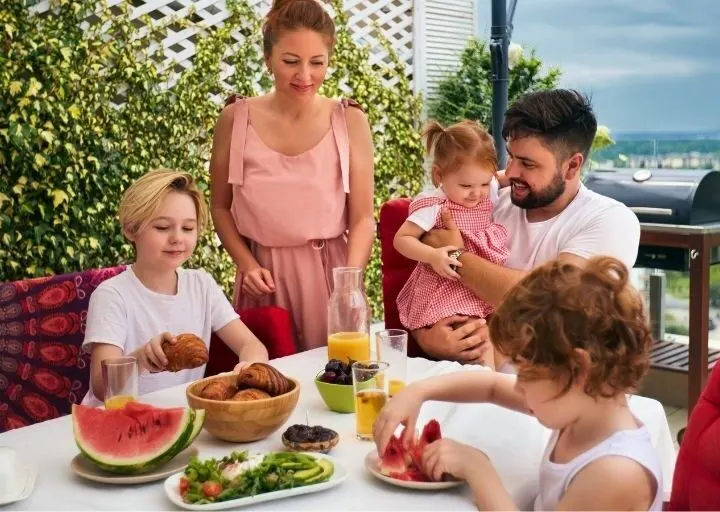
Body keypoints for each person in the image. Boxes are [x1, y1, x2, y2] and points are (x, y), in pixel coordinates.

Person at [374, 256, 662, 511]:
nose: (517, 386)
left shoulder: (615, 472)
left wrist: (479, 470)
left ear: (578, 369)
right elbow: (491, 387)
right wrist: (418, 392)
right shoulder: (582, 406)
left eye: (525, 374)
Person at [414, 89, 641, 363]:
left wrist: (455, 255)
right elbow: (423, 272)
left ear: (572, 165)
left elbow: (551, 300)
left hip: (556, 393)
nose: (511, 172)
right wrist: (425, 338)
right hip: (470, 381)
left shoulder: (610, 220)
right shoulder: (489, 202)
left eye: (527, 164)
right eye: (510, 157)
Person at [209, 0, 375, 352]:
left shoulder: (349, 121)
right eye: (290, 61)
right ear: (269, 59)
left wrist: (350, 287)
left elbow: (362, 218)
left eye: (318, 63)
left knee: (336, 388)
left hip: (330, 281)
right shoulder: (235, 119)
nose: (305, 76)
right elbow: (220, 208)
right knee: (267, 392)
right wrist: (246, 264)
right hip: (262, 283)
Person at [82, 169, 269, 406]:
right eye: (162, 227)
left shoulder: (201, 285)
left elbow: (251, 345)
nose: (177, 238)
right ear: (131, 229)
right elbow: (101, 388)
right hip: (117, 419)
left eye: (188, 228)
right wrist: (140, 359)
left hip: (181, 415)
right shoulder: (112, 295)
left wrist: (247, 367)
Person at [394, 120, 509, 369]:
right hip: (445, 288)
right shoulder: (434, 205)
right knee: (479, 347)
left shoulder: (485, 186)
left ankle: (486, 392)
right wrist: (433, 256)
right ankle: (486, 392)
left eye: (483, 184)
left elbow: (503, 177)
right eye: (466, 186)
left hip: (477, 285)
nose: (476, 193)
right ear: (439, 175)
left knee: (495, 339)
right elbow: (401, 240)